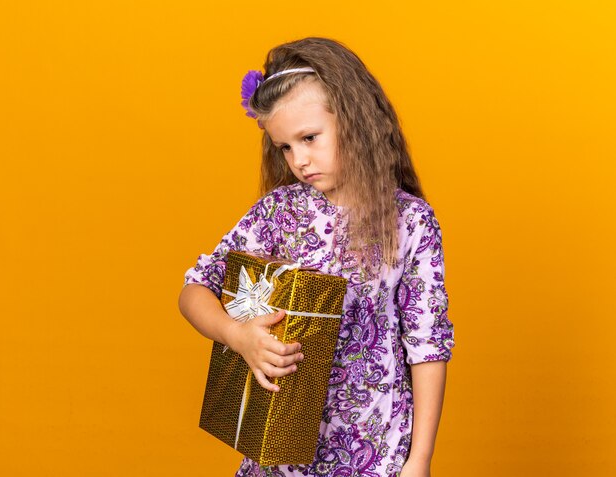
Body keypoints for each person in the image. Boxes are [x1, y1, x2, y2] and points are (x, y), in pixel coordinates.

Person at [178, 37, 455, 477]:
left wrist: (418, 460)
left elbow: (427, 345)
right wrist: (237, 335)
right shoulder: (278, 212)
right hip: (281, 453)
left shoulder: (410, 221)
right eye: (285, 147)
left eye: (309, 138)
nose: (299, 160)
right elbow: (194, 289)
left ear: (355, 119)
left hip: (376, 450)